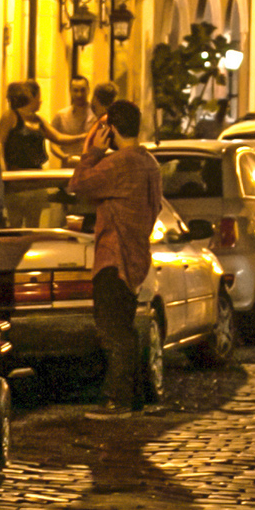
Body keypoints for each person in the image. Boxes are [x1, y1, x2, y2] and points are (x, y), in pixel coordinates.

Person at [70, 98, 165, 414]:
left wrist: (92, 153)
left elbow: (79, 184)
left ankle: (119, 398)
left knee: (112, 330)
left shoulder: (122, 163)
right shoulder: (148, 162)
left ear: (110, 128)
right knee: (123, 327)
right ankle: (133, 396)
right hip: (135, 254)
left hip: (115, 256)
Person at [0, 79, 53, 170]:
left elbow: (58, 137)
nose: (41, 102)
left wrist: (82, 136)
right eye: (38, 98)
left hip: (36, 169)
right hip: (15, 169)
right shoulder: (10, 116)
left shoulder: (38, 120)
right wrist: (2, 168)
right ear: (31, 98)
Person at [45, 77, 98, 167]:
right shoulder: (61, 115)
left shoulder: (97, 114)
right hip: (68, 167)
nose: (79, 94)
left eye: (82, 90)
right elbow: (53, 144)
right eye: (75, 90)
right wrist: (65, 157)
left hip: (92, 166)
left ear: (88, 90)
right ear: (70, 91)